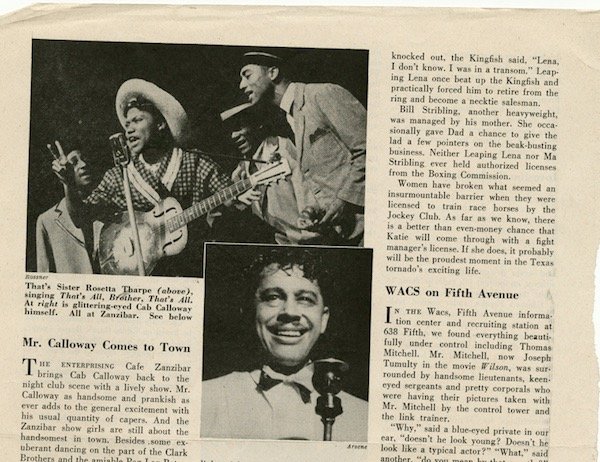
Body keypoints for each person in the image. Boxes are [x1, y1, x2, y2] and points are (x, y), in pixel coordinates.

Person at [51, 79, 232, 276]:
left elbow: (230, 192)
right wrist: (68, 183)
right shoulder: (119, 176)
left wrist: (236, 200)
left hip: (192, 270)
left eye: (138, 121)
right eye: (127, 123)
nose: (129, 129)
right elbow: (81, 217)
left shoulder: (195, 163)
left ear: (161, 124)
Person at [201, 248, 368, 441]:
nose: (289, 312)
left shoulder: (363, 418)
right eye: (273, 297)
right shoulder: (205, 400)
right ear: (251, 312)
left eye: (305, 299)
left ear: (324, 319)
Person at [236, 51, 367, 245]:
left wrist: (344, 201)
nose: (241, 85)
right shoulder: (290, 118)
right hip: (344, 238)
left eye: (247, 75)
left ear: (272, 73)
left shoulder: (322, 94)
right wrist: (313, 211)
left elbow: (370, 149)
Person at [37, 143, 102, 273]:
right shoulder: (46, 221)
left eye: (85, 159)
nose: (84, 164)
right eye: (74, 162)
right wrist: (68, 183)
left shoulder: (109, 206)